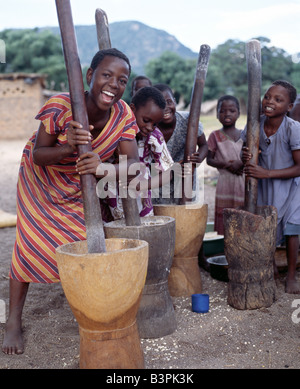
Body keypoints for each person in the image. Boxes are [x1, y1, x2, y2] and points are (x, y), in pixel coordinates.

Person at [2, 48, 140, 355]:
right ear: (90, 76)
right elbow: (39, 155)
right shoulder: (60, 105)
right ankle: (13, 321)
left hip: (80, 184)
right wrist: (68, 148)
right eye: (106, 75)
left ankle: (91, 311)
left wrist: (103, 167)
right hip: (41, 181)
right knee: (28, 245)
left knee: (84, 243)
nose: (114, 84)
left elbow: (134, 166)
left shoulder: (123, 115)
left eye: (122, 80)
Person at [241, 80, 300, 294]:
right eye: (267, 96)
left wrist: (267, 173)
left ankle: (292, 275)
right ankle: (272, 268)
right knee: (266, 228)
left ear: (289, 107)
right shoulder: (254, 124)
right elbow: (244, 157)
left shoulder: (293, 129)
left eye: (278, 99)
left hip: (291, 187)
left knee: (292, 230)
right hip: (265, 186)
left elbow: (299, 167)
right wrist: (245, 156)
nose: (269, 102)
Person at [107, 86, 174, 219]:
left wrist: (142, 186)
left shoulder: (154, 136)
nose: (150, 127)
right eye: (146, 120)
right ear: (132, 109)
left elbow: (168, 173)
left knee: (143, 232)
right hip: (111, 197)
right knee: (115, 234)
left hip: (142, 199)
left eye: (155, 124)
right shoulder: (114, 129)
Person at [152, 83, 208, 204]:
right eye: (159, 104)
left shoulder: (189, 121)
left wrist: (197, 161)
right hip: (159, 183)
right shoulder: (149, 128)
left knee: (186, 216)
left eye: (168, 102)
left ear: (175, 101)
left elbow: (204, 145)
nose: (165, 107)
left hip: (185, 181)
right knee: (162, 217)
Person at [206, 95, 244, 235]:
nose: (227, 114)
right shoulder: (214, 136)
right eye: (222, 111)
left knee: (243, 214)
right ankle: (225, 248)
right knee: (225, 215)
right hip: (225, 182)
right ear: (217, 114)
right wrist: (228, 165)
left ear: (238, 113)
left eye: (232, 110)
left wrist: (240, 163)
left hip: (242, 181)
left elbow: (252, 156)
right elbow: (209, 159)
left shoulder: (245, 135)